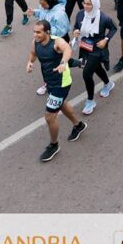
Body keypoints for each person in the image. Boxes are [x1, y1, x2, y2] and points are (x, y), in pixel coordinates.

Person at [27, 20, 86, 163]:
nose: (35, 34)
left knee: (49, 117)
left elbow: (67, 50)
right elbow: (33, 53)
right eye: (34, 32)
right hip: (51, 83)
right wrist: (30, 62)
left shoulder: (56, 42)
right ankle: (79, 125)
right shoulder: (35, 42)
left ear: (47, 32)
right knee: (62, 104)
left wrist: (62, 63)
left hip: (61, 83)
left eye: (38, 32)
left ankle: (54, 145)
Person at [71, 0, 117, 115]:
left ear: (95, 4)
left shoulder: (103, 18)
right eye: (84, 3)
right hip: (85, 46)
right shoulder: (80, 14)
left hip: (97, 48)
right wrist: (75, 32)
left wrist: (106, 40)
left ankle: (90, 101)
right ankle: (108, 83)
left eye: (89, 4)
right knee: (96, 68)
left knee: (86, 74)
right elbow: (76, 26)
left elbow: (114, 28)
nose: (85, 6)